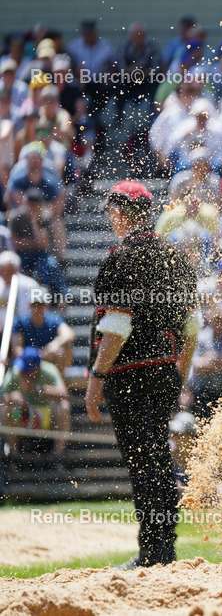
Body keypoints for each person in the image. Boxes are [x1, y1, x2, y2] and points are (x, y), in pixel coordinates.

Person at [84, 181, 200, 569]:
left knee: (144, 463)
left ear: (119, 214)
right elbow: (192, 326)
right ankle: (163, 548)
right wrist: (178, 372)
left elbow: (117, 326)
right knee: (158, 461)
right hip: (164, 371)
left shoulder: (120, 258)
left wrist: (96, 378)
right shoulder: (174, 256)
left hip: (129, 375)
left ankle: (154, 553)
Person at [0, 347, 70, 470]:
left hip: (47, 418)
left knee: (63, 406)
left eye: (27, 370)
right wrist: (12, 397)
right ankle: (14, 456)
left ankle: (57, 457)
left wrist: (38, 389)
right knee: (5, 409)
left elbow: (64, 394)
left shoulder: (49, 370)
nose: (23, 373)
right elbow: (2, 398)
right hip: (22, 417)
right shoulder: (16, 372)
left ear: (37, 368)